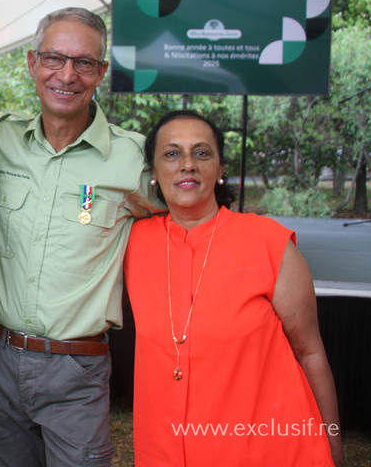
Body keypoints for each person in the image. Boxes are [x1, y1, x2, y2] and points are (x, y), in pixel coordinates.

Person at [0, 8, 163, 467]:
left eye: (83, 63)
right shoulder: (0, 140)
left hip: (77, 367)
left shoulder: (134, 157)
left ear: (101, 72)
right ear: (31, 63)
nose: (67, 74)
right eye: (54, 58)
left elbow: (190, 218)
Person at [123, 110, 343, 466]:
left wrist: (333, 445)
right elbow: (84, 208)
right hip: (165, 449)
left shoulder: (268, 243)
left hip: (268, 451)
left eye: (202, 152)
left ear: (221, 169)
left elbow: (310, 354)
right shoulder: (133, 242)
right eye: (172, 153)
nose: (187, 164)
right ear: (153, 172)